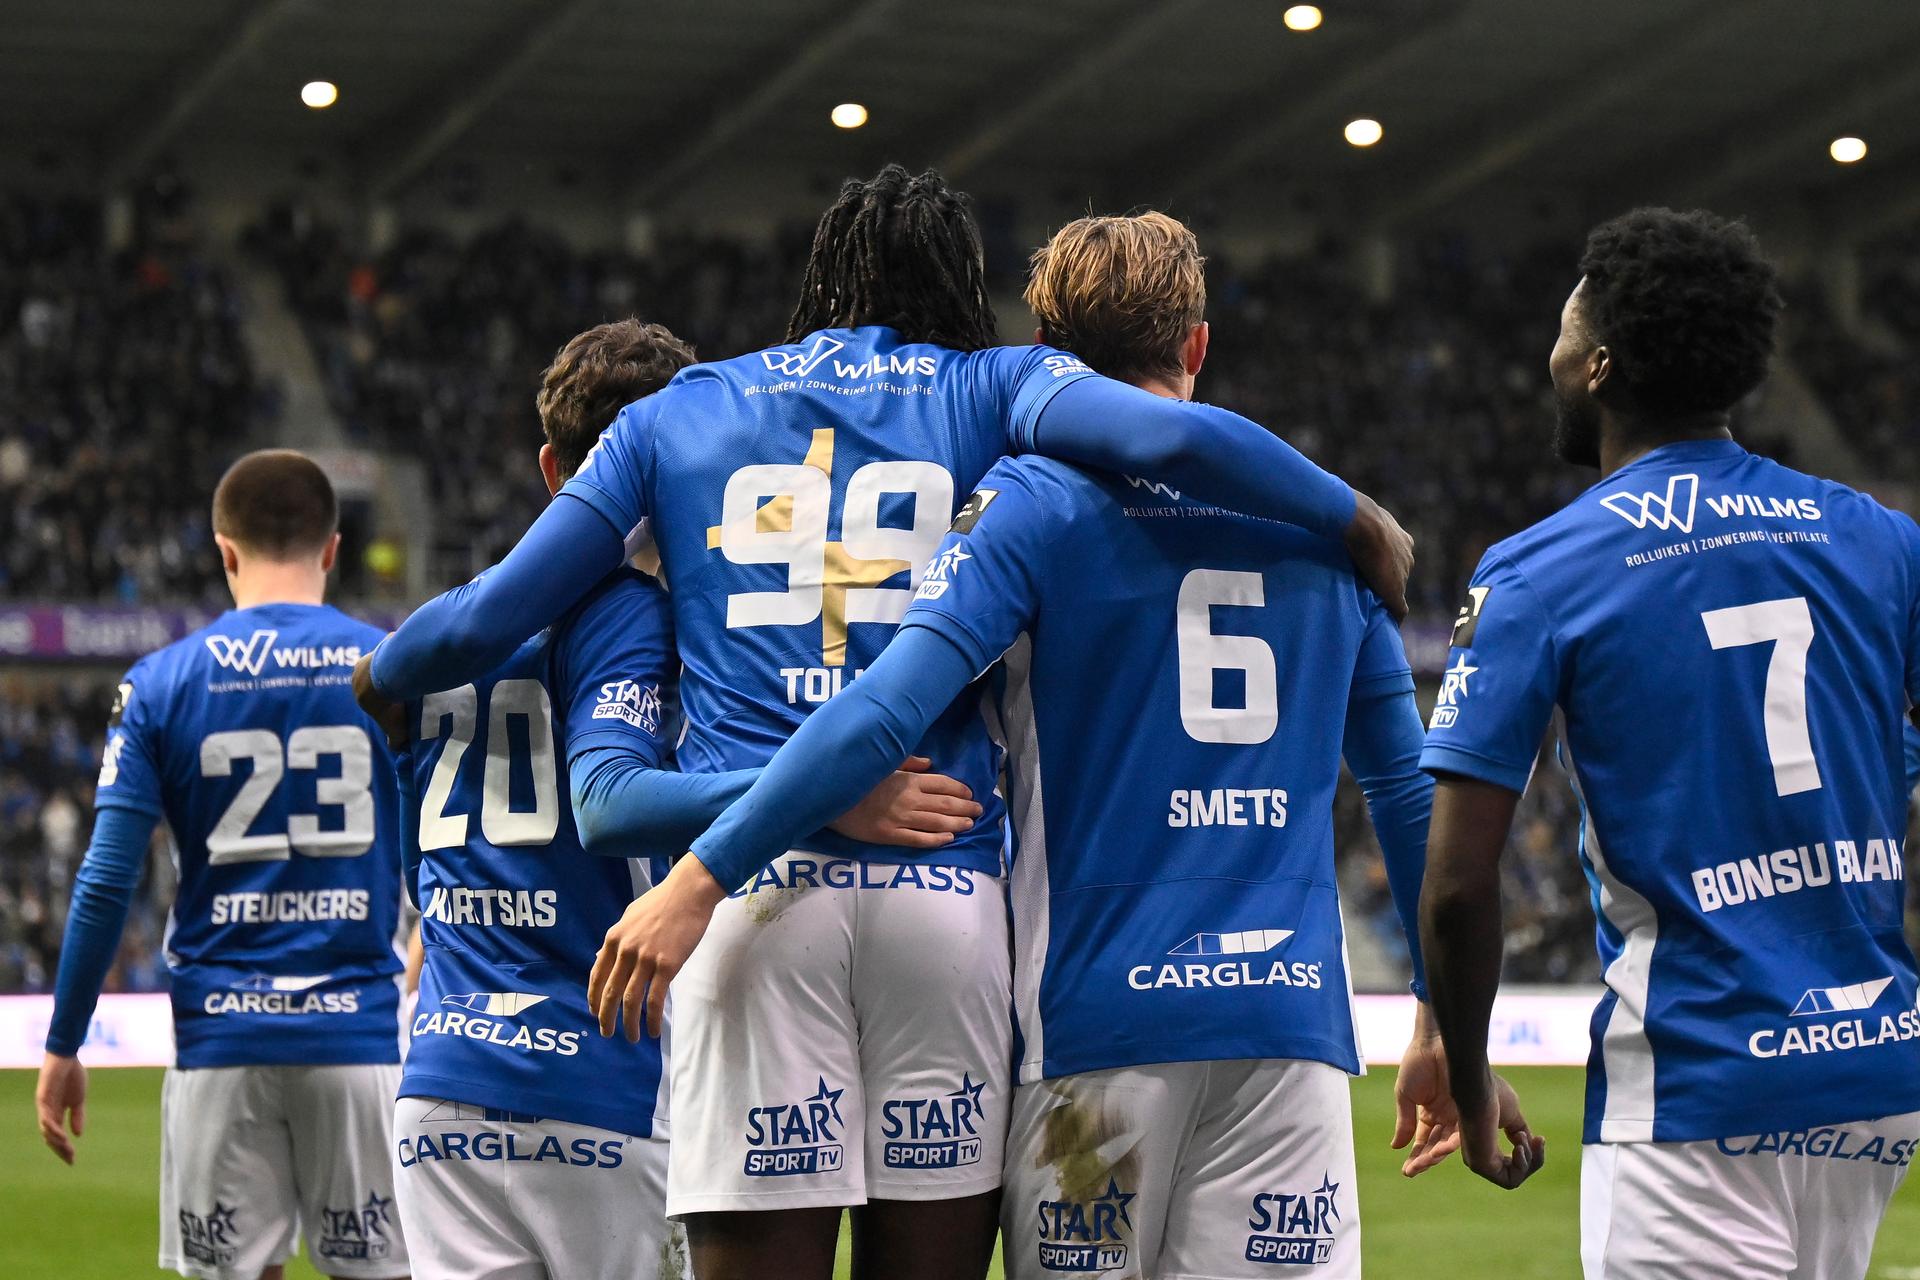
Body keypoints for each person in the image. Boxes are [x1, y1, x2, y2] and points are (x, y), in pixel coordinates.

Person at [357, 165, 1412, 1280]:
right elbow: (1164, 440)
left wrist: (379, 673)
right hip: (941, 894)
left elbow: (494, 613)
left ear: (821, 278)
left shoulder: (679, 410)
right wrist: (1355, 513)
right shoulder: (995, 384)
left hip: (757, 896)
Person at [594, 210, 1480, 1277]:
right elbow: (1408, 793)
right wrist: (1445, 1019)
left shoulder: (1031, 502)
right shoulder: (1322, 530)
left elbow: (880, 713)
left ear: (1050, 357)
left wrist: (701, 875)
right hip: (1287, 1026)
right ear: (1198, 345)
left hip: (1098, 1025)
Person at [389, 318, 978, 1279]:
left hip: (442, 1082)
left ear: (551, 468)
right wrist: (820, 794)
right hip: (594, 1073)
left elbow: (420, 850)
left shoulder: (461, 623)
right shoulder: (640, 617)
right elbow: (610, 797)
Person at [1416, 208, 1920, 1278]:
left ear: (1597, 363)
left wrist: (1465, 1072)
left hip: (1695, 1081)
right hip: (1872, 1077)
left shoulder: (1543, 570)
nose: (1547, 356)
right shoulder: (1879, 537)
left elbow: (1460, 886)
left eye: (1563, 329)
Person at [37, 450, 411, 1280]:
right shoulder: (394, 669)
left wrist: (65, 1042)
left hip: (222, 1044)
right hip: (358, 1038)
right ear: (333, 549)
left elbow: (106, 878)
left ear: (224, 550)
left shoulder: (160, 683)